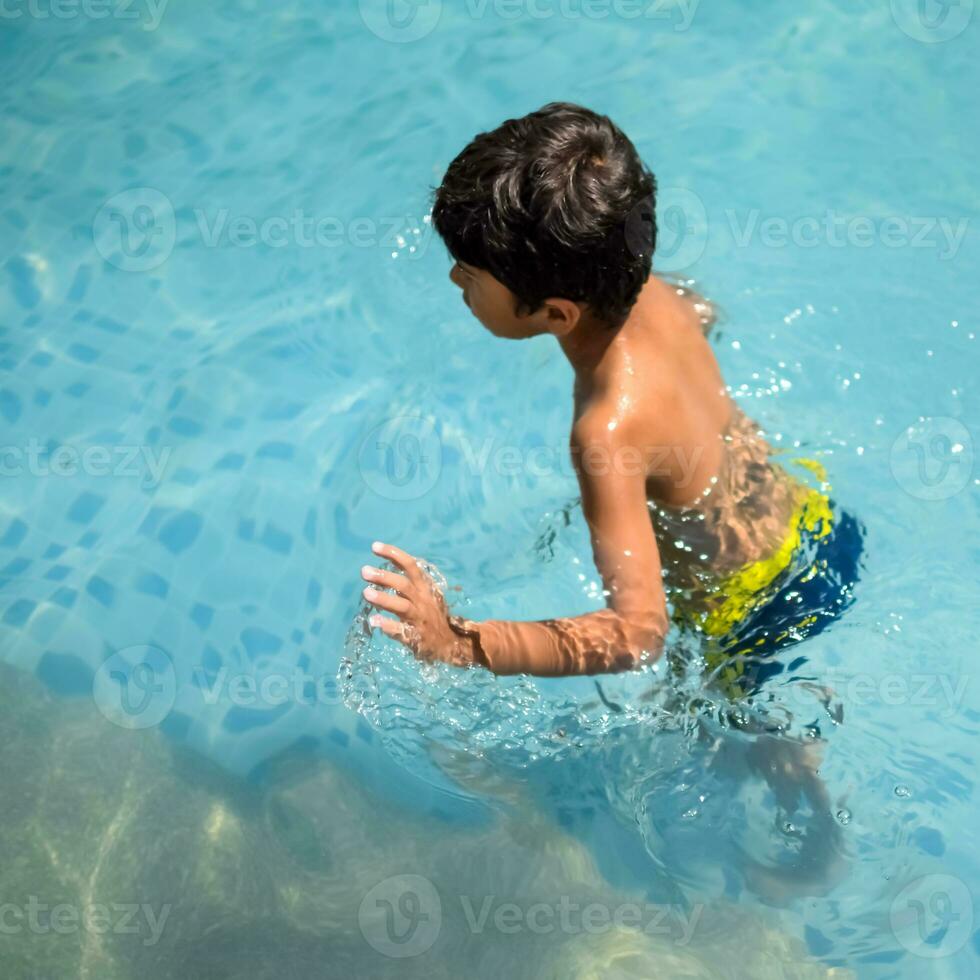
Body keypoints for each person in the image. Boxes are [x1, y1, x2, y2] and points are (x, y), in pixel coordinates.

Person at [360, 102, 862, 685]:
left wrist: (461, 643)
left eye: (470, 275)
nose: (454, 280)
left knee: (763, 759)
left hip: (755, 618)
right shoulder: (658, 290)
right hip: (815, 522)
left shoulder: (606, 431)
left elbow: (637, 634)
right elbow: (707, 314)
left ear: (555, 313)